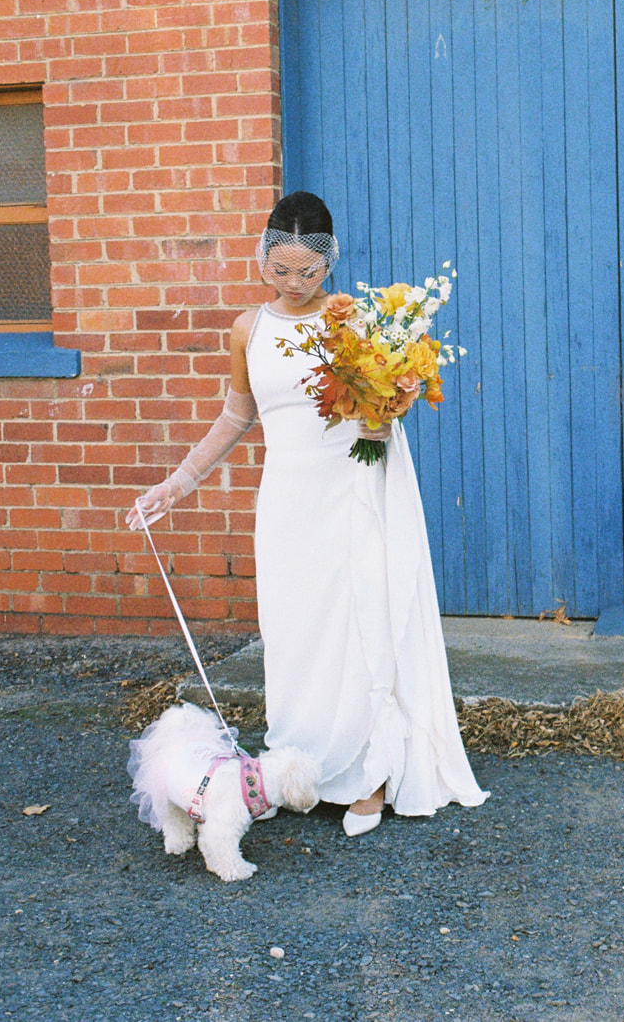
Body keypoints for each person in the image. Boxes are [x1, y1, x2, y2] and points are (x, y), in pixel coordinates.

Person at [127, 191, 488, 834]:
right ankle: (305, 768)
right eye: (280, 269)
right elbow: (238, 415)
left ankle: (368, 776)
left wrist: (387, 409)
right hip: (288, 499)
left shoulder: (354, 321)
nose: (293, 284)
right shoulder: (248, 329)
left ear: (330, 266)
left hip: (350, 491)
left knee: (357, 628)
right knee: (295, 635)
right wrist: (176, 483)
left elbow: (382, 410)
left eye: (308, 273)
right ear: (263, 256)